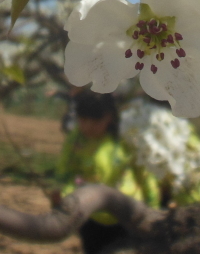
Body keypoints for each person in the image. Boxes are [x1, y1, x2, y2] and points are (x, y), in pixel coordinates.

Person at [55, 91, 158, 254]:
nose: (88, 126)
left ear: (109, 117)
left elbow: (145, 175)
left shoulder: (126, 138)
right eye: (82, 120)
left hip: (127, 214)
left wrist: (153, 208)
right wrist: (61, 195)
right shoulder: (76, 139)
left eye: (96, 121)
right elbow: (65, 171)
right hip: (90, 214)